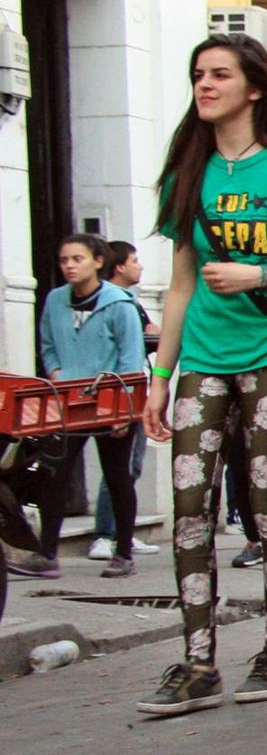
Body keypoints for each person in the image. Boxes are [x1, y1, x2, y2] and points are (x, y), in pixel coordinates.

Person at [133, 36, 267, 717]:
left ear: (254, 88)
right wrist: (161, 373)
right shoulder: (188, 174)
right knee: (191, 509)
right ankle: (198, 664)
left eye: (220, 74)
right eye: (198, 74)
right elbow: (180, 286)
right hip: (205, 366)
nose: (205, 84)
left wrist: (261, 275)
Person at [15, 235, 146, 581]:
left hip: (111, 401)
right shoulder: (56, 300)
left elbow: (131, 358)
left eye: (78, 258)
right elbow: (47, 344)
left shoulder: (120, 303)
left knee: (117, 475)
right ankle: (46, 554)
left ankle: (123, 553)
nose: (70, 265)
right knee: (54, 475)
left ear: (98, 261)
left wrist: (126, 410)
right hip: (66, 401)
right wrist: (57, 372)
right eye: (64, 260)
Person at [85, 240, 163, 558]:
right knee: (120, 466)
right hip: (118, 390)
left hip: (131, 389)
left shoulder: (130, 301)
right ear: (119, 266)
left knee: (127, 466)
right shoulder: (116, 303)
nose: (140, 266)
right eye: (134, 260)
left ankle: (121, 534)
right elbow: (140, 341)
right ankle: (106, 534)